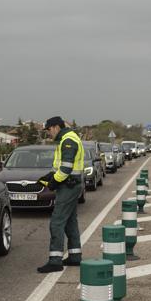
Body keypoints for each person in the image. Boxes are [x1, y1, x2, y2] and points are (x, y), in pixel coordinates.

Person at [37, 116, 84, 273]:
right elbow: (60, 167)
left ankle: (55, 261)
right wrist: (50, 176)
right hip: (70, 184)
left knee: (56, 222)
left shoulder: (68, 140)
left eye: (49, 130)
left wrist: (53, 182)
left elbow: (65, 169)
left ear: (56, 127)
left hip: (68, 186)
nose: (48, 133)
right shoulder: (67, 138)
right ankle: (75, 257)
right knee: (70, 222)